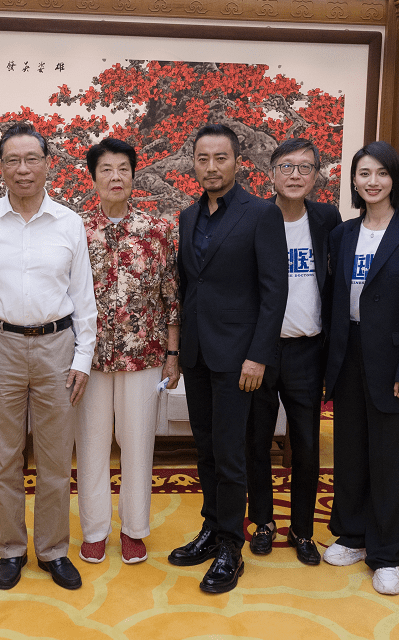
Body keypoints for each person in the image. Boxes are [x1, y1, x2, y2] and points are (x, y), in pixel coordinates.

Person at [0, 122, 97, 591]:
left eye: (31, 158)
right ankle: (11, 549)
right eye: (12, 160)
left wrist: (82, 359)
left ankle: (53, 550)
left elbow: (84, 297)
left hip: (57, 346)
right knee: (5, 456)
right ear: (1, 168)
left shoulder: (69, 222)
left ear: (48, 163)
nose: (22, 169)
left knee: (56, 459)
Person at [170, 124, 288, 594]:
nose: (212, 166)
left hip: (240, 358)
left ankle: (230, 549)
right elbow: (186, 285)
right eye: (203, 158)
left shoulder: (261, 214)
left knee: (231, 453)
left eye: (221, 158)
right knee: (205, 447)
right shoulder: (186, 216)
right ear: (193, 163)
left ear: (237, 162)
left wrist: (258, 356)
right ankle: (212, 528)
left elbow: (274, 291)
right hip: (198, 352)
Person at [322, 140, 399, 596]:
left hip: (394, 359)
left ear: (395, 179)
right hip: (348, 352)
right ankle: (352, 535)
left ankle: (387, 552)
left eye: (381, 173)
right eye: (364, 174)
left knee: (390, 459)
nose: (372, 182)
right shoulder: (343, 235)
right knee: (350, 450)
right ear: (353, 181)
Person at [75, 138, 180, 566]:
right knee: (91, 443)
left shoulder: (158, 229)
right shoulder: (76, 228)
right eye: (106, 169)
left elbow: (171, 294)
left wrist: (173, 354)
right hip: (89, 357)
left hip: (146, 352)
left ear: (134, 175)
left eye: (123, 168)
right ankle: (95, 530)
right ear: (94, 176)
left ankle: (134, 529)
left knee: (138, 443)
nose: (115, 176)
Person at [247, 138, 341, 565]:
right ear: (272, 174)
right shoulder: (255, 218)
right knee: (257, 442)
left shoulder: (327, 219)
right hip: (261, 352)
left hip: (308, 350)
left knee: (306, 445)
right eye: (287, 167)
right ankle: (263, 522)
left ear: (317, 176)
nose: (296, 175)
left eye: (306, 167)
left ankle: (303, 530)